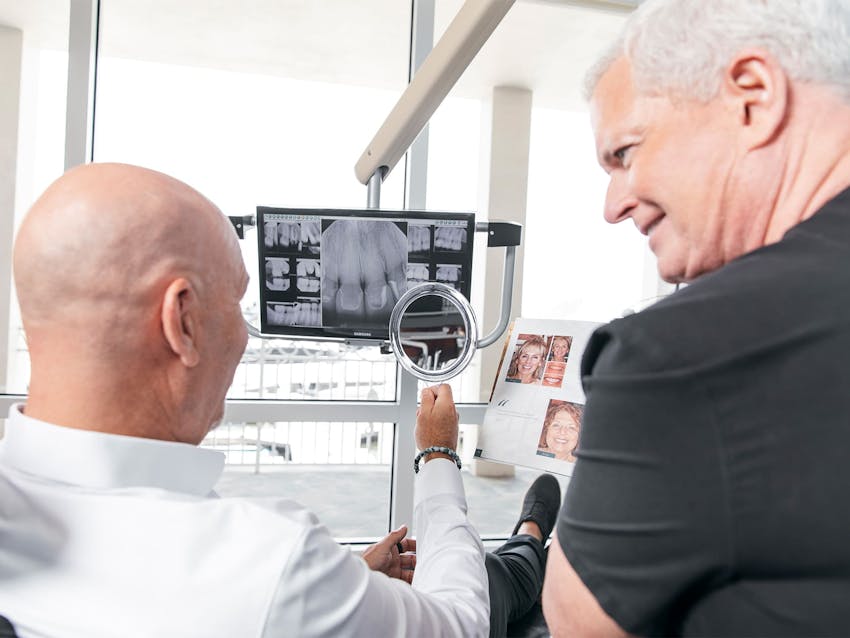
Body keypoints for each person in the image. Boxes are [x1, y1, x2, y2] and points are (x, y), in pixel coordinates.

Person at [0, 162, 559, 638]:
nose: (245, 336)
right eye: (238, 301)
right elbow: (460, 623)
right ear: (183, 320)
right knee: (498, 580)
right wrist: (438, 457)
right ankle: (533, 536)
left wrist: (349, 582)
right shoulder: (267, 563)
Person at [537, 1, 850, 636]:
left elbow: (578, 626)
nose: (613, 205)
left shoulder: (676, 359)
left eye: (625, 152)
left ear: (753, 98)